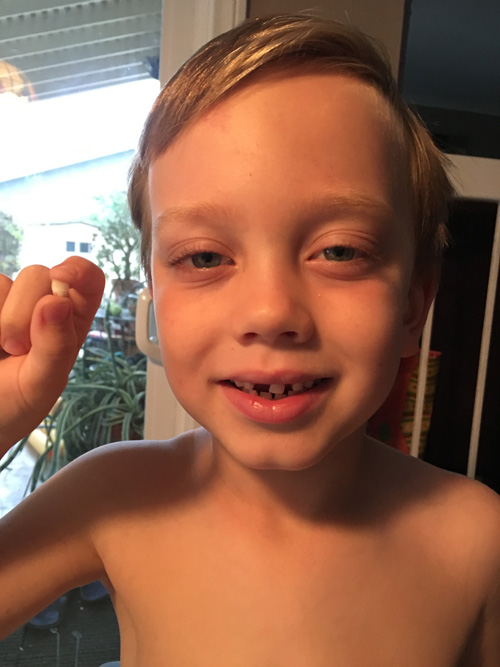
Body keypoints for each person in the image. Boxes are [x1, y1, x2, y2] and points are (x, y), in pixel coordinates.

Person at [1, 14, 499, 666]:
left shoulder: (477, 540)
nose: (269, 312)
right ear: (157, 303)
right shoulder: (116, 496)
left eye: (340, 250)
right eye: (205, 257)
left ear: (413, 305)